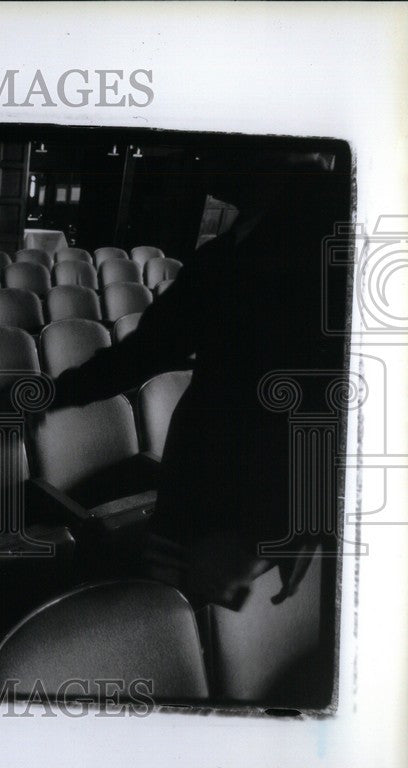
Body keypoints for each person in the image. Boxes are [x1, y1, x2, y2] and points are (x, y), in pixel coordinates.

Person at [53, 150, 346, 609]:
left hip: (248, 508)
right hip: (206, 489)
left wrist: (280, 531)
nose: (203, 154)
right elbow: (148, 351)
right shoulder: (234, 248)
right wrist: (51, 393)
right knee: (172, 615)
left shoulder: (330, 248)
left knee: (178, 618)